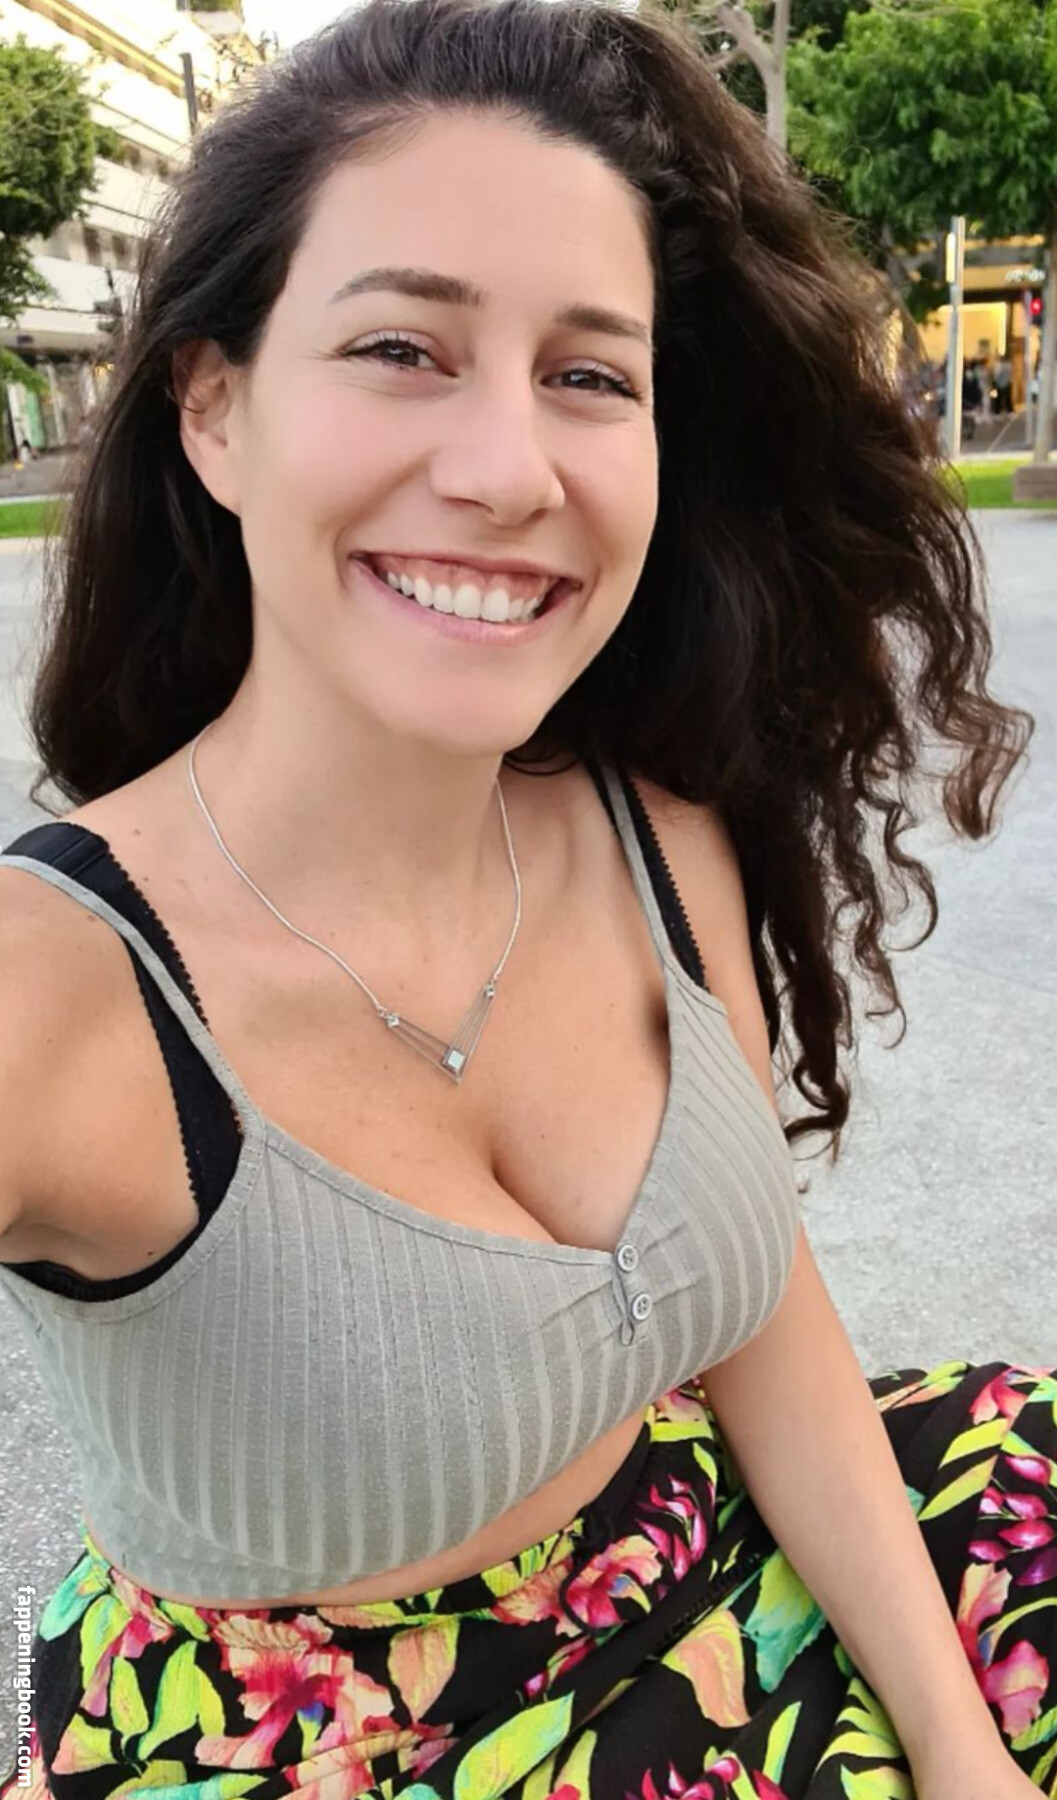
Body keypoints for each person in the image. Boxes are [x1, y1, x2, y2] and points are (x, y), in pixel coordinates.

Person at [0, 2, 1051, 1795]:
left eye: (588, 375)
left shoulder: (654, 833)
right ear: (216, 409)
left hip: (719, 1575)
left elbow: (762, 1320)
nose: (509, 470)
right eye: (400, 347)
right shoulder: (60, 991)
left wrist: (958, 1751)